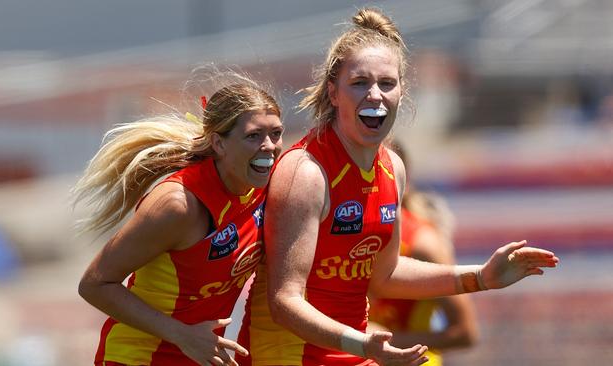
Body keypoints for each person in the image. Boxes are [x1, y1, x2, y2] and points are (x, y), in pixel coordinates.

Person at [237, 7, 558, 366]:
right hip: (286, 355)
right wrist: (361, 344)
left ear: (401, 93)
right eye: (359, 83)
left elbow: (385, 276)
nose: (374, 94)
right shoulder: (306, 172)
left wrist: (479, 277)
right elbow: (284, 301)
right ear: (333, 92)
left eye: (386, 83)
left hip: (353, 350)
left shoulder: (393, 168)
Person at [73, 70, 284, 366]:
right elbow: (94, 284)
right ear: (219, 143)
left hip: (199, 357)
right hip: (137, 358)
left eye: (275, 133)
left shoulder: (264, 186)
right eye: (253, 136)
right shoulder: (178, 205)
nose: (270, 147)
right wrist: (182, 335)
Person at [367, 144, 478, 366]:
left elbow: (465, 333)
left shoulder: (422, 243)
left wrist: (378, 340)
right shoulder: (347, 229)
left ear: (402, 183)